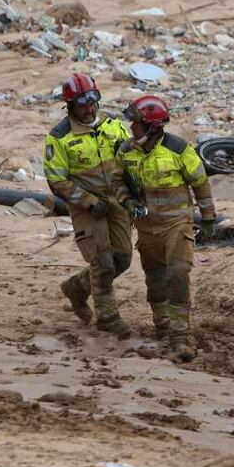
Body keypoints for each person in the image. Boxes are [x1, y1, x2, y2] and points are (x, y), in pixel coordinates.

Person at [116, 95, 216, 362]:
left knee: (178, 274)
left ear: (151, 126)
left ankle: (180, 335)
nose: (130, 127)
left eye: (134, 123)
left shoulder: (179, 149)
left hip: (177, 225)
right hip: (147, 228)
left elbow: (201, 183)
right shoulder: (126, 151)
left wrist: (208, 219)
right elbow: (118, 184)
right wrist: (127, 202)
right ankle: (162, 328)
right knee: (155, 279)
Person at [44, 72, 133, 338]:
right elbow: (56, 179)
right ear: (70, 105)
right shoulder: (59, 138)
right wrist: (87, 201)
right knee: (103, 261)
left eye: (93, 101)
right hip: (86, 206)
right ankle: (108, 318)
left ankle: (77, 287)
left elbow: (129, 159)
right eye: (83, 104)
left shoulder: (113, 125)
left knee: (122, 259)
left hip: (117, 200)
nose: (90, 108)